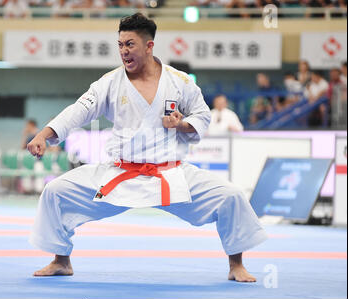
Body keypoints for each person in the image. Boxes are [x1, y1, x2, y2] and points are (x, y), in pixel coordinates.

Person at [27, 13, 268, 282]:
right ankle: (61, 260)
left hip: (169, 173)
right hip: (120, 173)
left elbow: (202, 115)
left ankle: (236, 264)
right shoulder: (110, 82)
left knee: (231, 196)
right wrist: (44, 135)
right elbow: (79, 111)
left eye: (129, 44)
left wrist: (182, 125)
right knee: (56, 191)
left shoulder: (180, 81)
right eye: (119, 45)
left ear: (149, 46)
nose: (123, 51)